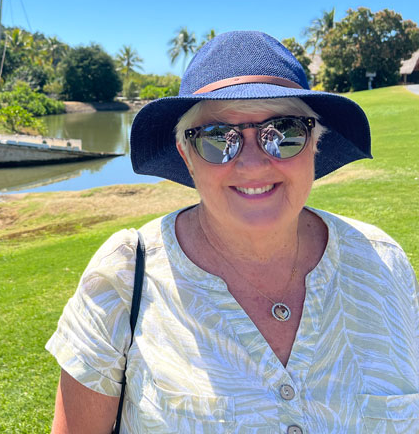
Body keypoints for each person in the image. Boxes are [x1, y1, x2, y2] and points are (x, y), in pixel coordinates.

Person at [47, 31, 419, 433]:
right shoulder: (122, 278)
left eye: (284, 132)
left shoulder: (383, 262)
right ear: (187, 156)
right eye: (217, 139)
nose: (253, 163)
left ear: (315, 143)